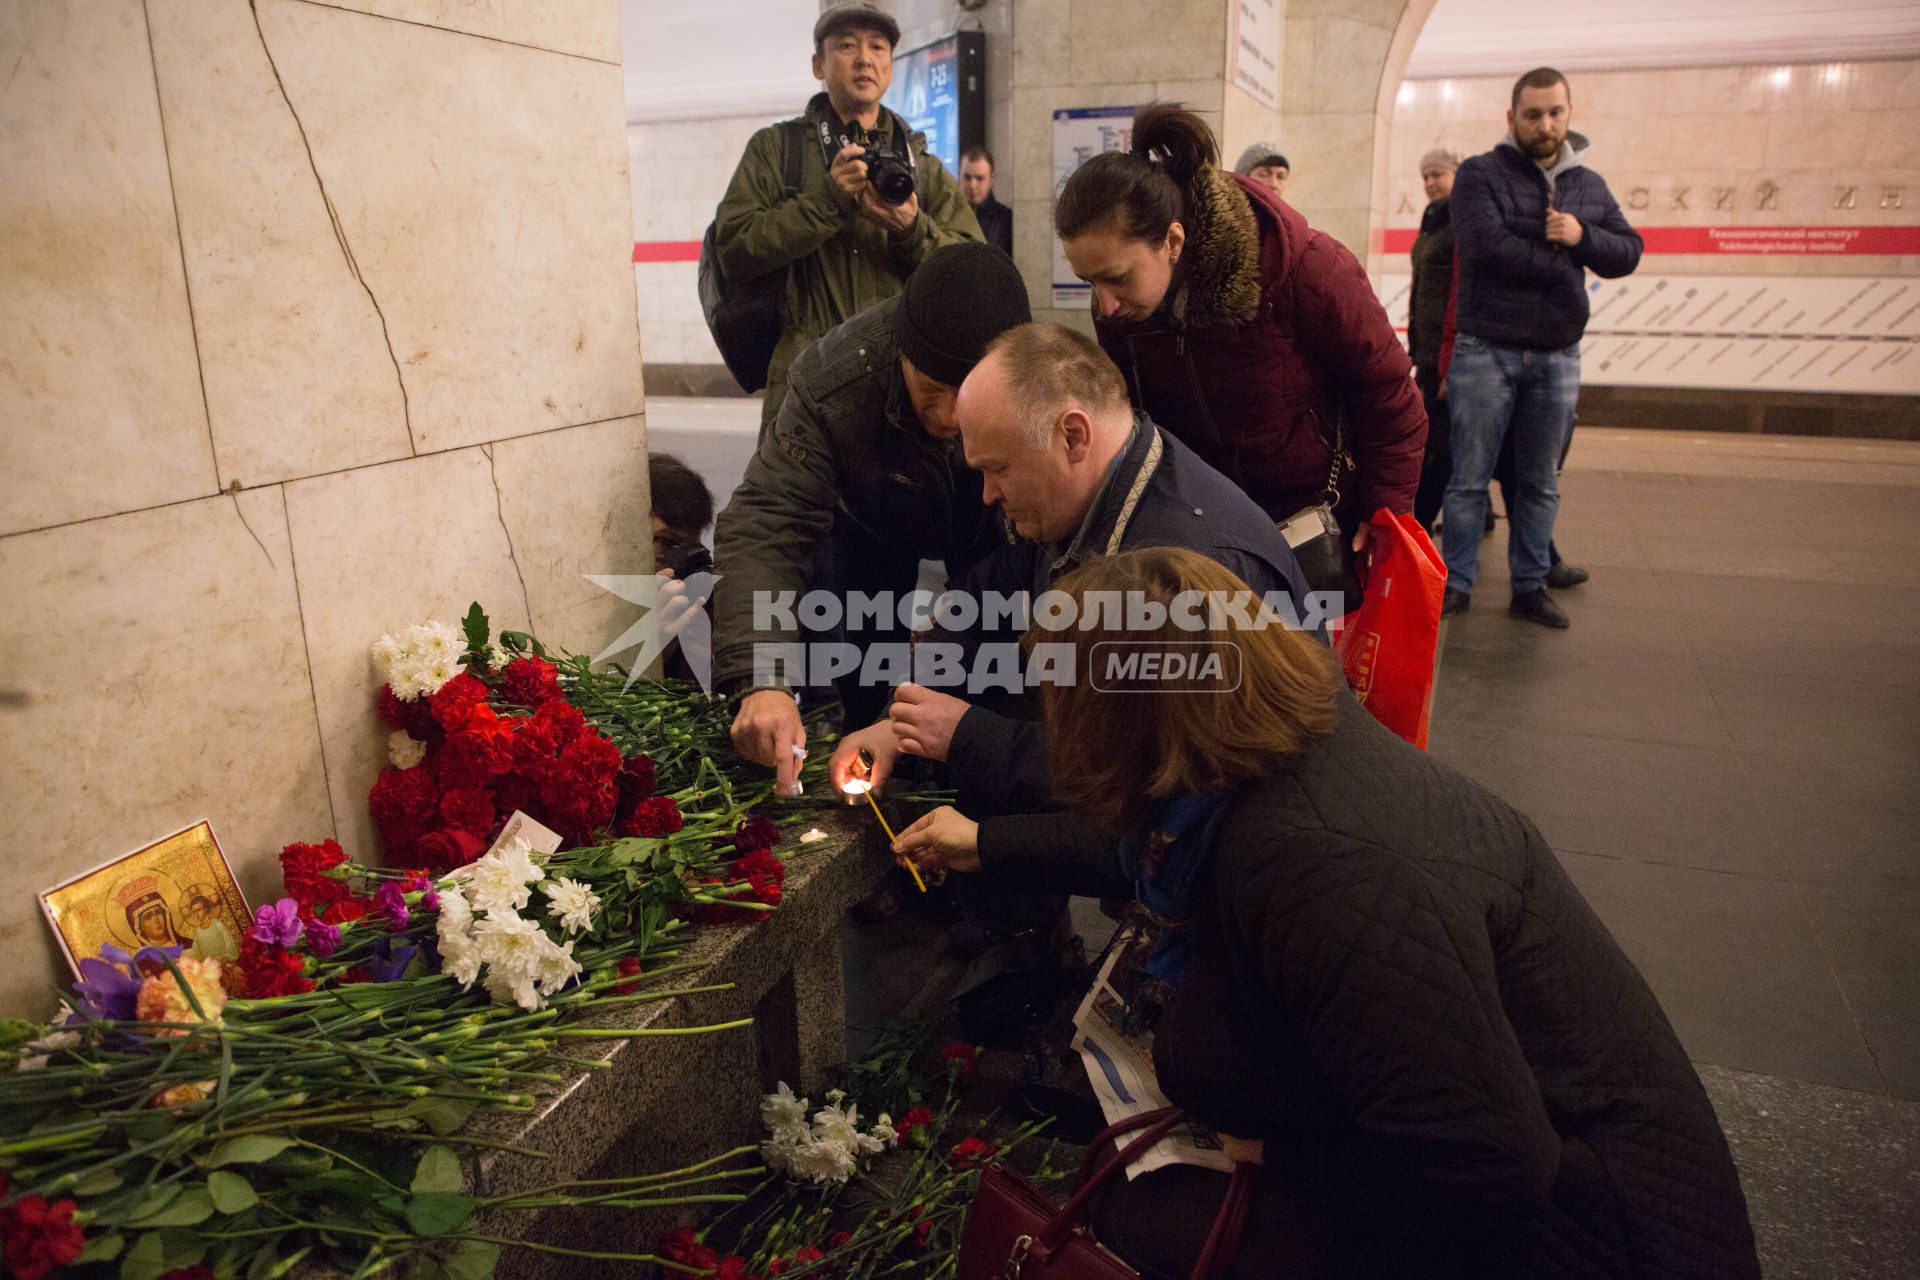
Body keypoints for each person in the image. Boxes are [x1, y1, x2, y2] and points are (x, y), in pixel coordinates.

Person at [896, 546, 1765, 1280]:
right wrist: (986, 842)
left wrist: (1277, 1156)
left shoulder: (1323, 866)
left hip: (1593, 1239)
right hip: (1533, 1172)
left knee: (1146, 1218)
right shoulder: (1265, 760)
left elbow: (1485, 1168)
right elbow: (1130, 846)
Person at [828, 322, 1313, 825]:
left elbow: (1144, 777)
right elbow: (985, 600)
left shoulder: (1185, 571)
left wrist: (967, 740)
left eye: (1000, 469)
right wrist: (899, 719)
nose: (988, 494)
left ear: (1073, 435)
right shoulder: (1082, 496)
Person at [1057, 105, 1425, 591]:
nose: (1104, 305)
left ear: (1173, 240)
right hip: (1205, 537)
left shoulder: (1307, 270)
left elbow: (1390, 395)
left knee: (1305, 665)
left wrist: (1386, 510)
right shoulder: (1123, 311)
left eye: (1117, 278)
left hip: (1309, 530)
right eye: (1089, 282)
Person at [716, 242, 1030, 795]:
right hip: (874, 531)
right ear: (900, 353)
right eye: (933, 391)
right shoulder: (834, 382)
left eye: (971, 396)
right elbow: (767, 522)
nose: (952, 419)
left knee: (995, 684)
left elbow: (1012, 570)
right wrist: (762, 678)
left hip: (1000, 536)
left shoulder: (1035, 380)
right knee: (868, 677)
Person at [712, 1, 981, 430]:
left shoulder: (918, 162)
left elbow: (972, 270)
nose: (864, 59)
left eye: (877, 48)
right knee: (794, 497)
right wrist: (826, 201)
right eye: (846, 46)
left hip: (896, 383)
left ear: (890, 68)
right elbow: (734, 248)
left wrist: (913, 231)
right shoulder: (778, 150)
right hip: (803, 383)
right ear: (818, 65)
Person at [1441, 67, 1640, 628]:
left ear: (1569, 114)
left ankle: (1529, 586)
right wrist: (1562, 264)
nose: (1545, 124)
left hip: (1557, 356)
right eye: (1533, 114)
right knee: (1468, 479)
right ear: (1512, 118)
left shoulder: (1589, 186)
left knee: (1539, 481)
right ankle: (1455, 584)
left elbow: (1627, 251)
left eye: (1555, 113)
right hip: (1486, 351)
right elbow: (1484, 246)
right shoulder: (1480, 174)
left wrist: (1582, 237)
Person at [1408, 148, 1458, 533]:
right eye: (1425, 176)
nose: (1430, 183)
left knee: (1438, 450)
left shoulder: (1460, 222)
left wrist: (1449, 364)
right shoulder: (1433, 220)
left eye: (1438, 174)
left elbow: (1456, 296)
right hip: (1427, 352)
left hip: (1446, 356)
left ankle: (1419, 526)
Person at [959, 145, 1012, 256]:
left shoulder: (1005, 220)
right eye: (967, 177)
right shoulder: (948, 215)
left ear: (992, 178)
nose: (972, 185)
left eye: (979, 178)